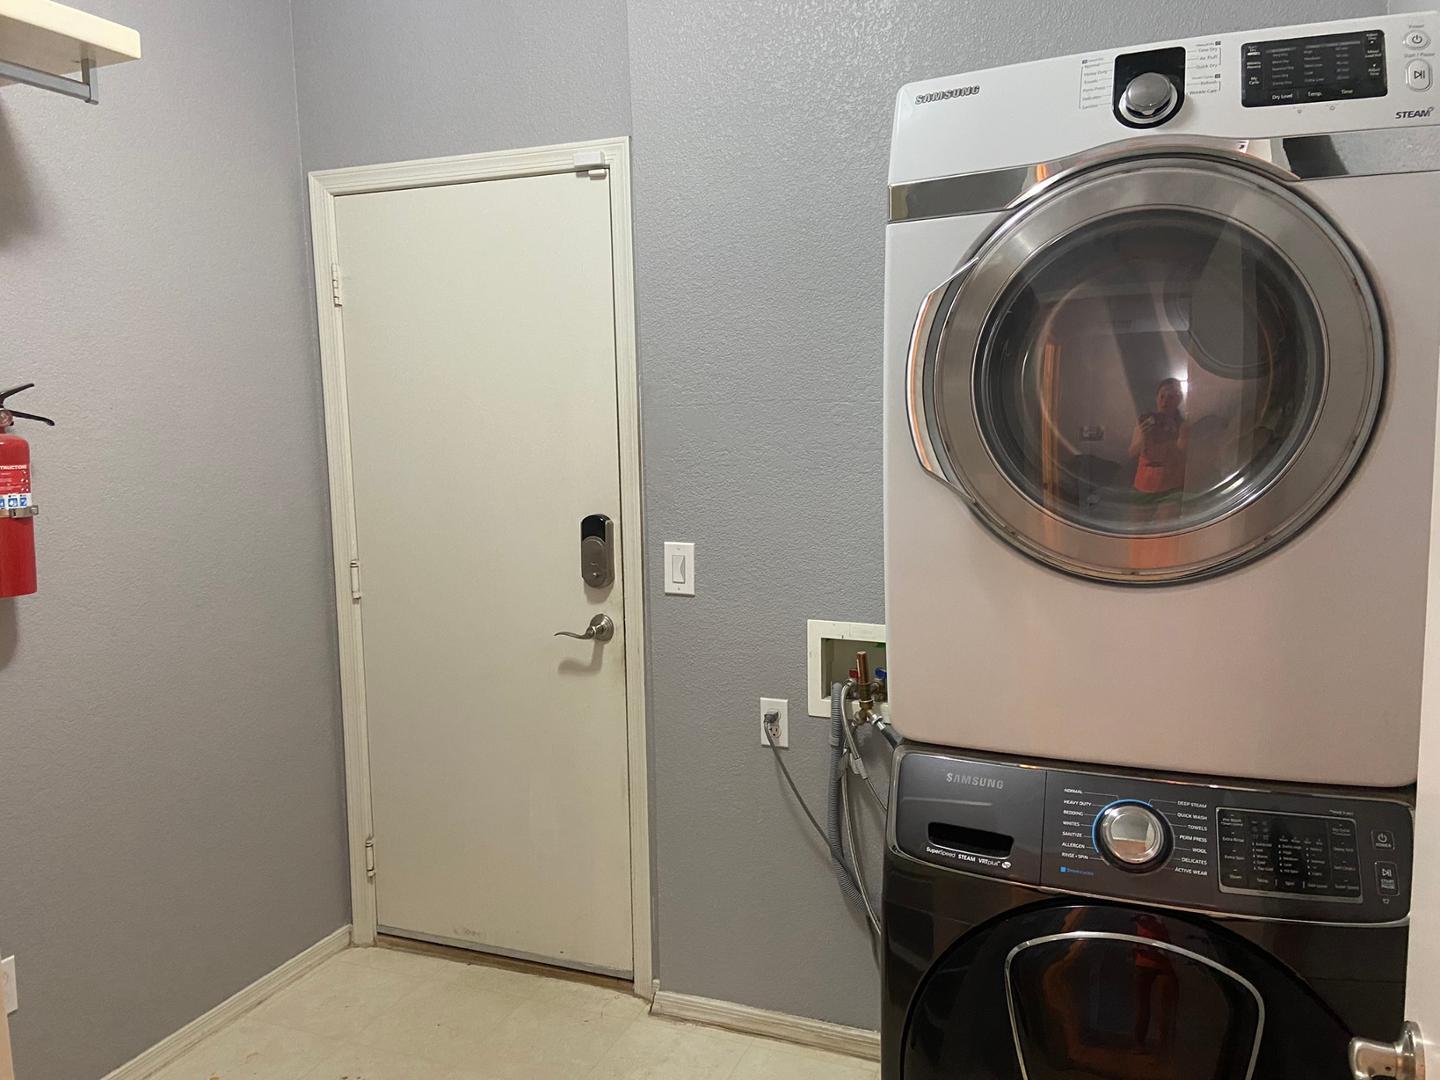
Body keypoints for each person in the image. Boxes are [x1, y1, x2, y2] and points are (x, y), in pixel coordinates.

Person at [1129, 377, 1189, 499]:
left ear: (1178, 400)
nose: (1165, 401)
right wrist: (1144, 436)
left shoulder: (1182, 425)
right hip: (1143, 486)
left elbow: (1183, 458)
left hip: (1172, 487)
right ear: (1156, 398)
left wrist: (1176, 434)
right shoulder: (1146, 421)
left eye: (1171, 397)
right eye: (1162, 396)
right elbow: (1132, 454)